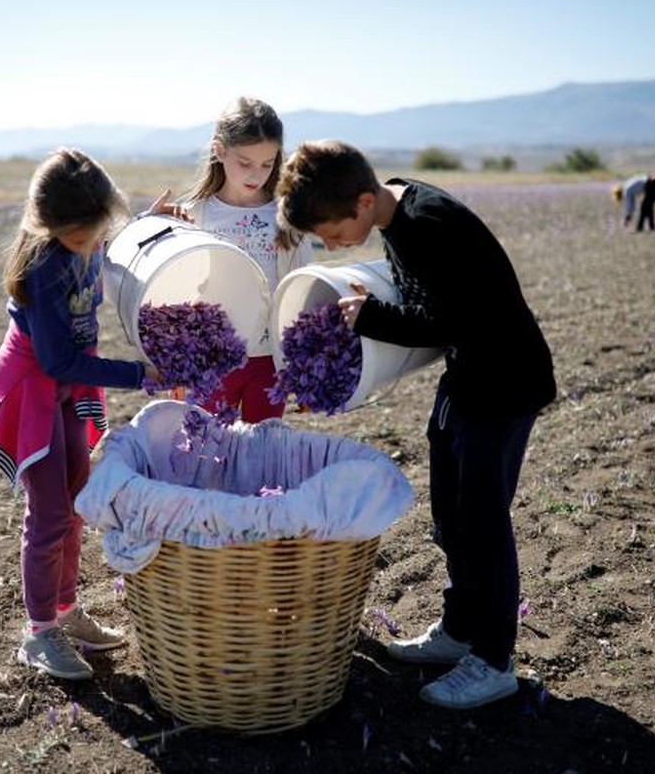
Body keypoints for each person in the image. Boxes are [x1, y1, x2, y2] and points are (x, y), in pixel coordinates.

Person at [276, 140, 556, 710]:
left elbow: (446, 320)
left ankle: (494, 658)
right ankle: (460, 631)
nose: (330, 247)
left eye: (330, 234)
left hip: (503, 382)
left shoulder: (429, 226)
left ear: (361, 201)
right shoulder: (398, 204)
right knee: (451, 514)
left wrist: (371, 317)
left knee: (482, 519)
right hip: (470, 375)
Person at [0, 148, 169, 680]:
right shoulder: (43, 266)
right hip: (35, 389)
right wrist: (140, 375)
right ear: (49, 225)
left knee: (77, 501)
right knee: (50, 513)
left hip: (67, 384)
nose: (91, 246)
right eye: (82, 238)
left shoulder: (89, 236)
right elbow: (57, 359)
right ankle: (38, 634)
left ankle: (65, 610)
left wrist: (155, 226)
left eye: (95, 233)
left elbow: (117, 250)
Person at [178, 97, 314, 422]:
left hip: (269, 361)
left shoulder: (286, 216)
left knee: (261, 452)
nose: (257, 174)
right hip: (211, 359)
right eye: (245, 162)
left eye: (267, 164)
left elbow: (303, 287)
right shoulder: (194, 215)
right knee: (204, 450)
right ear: (220, 151)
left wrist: (305, 364)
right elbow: (174, 291)